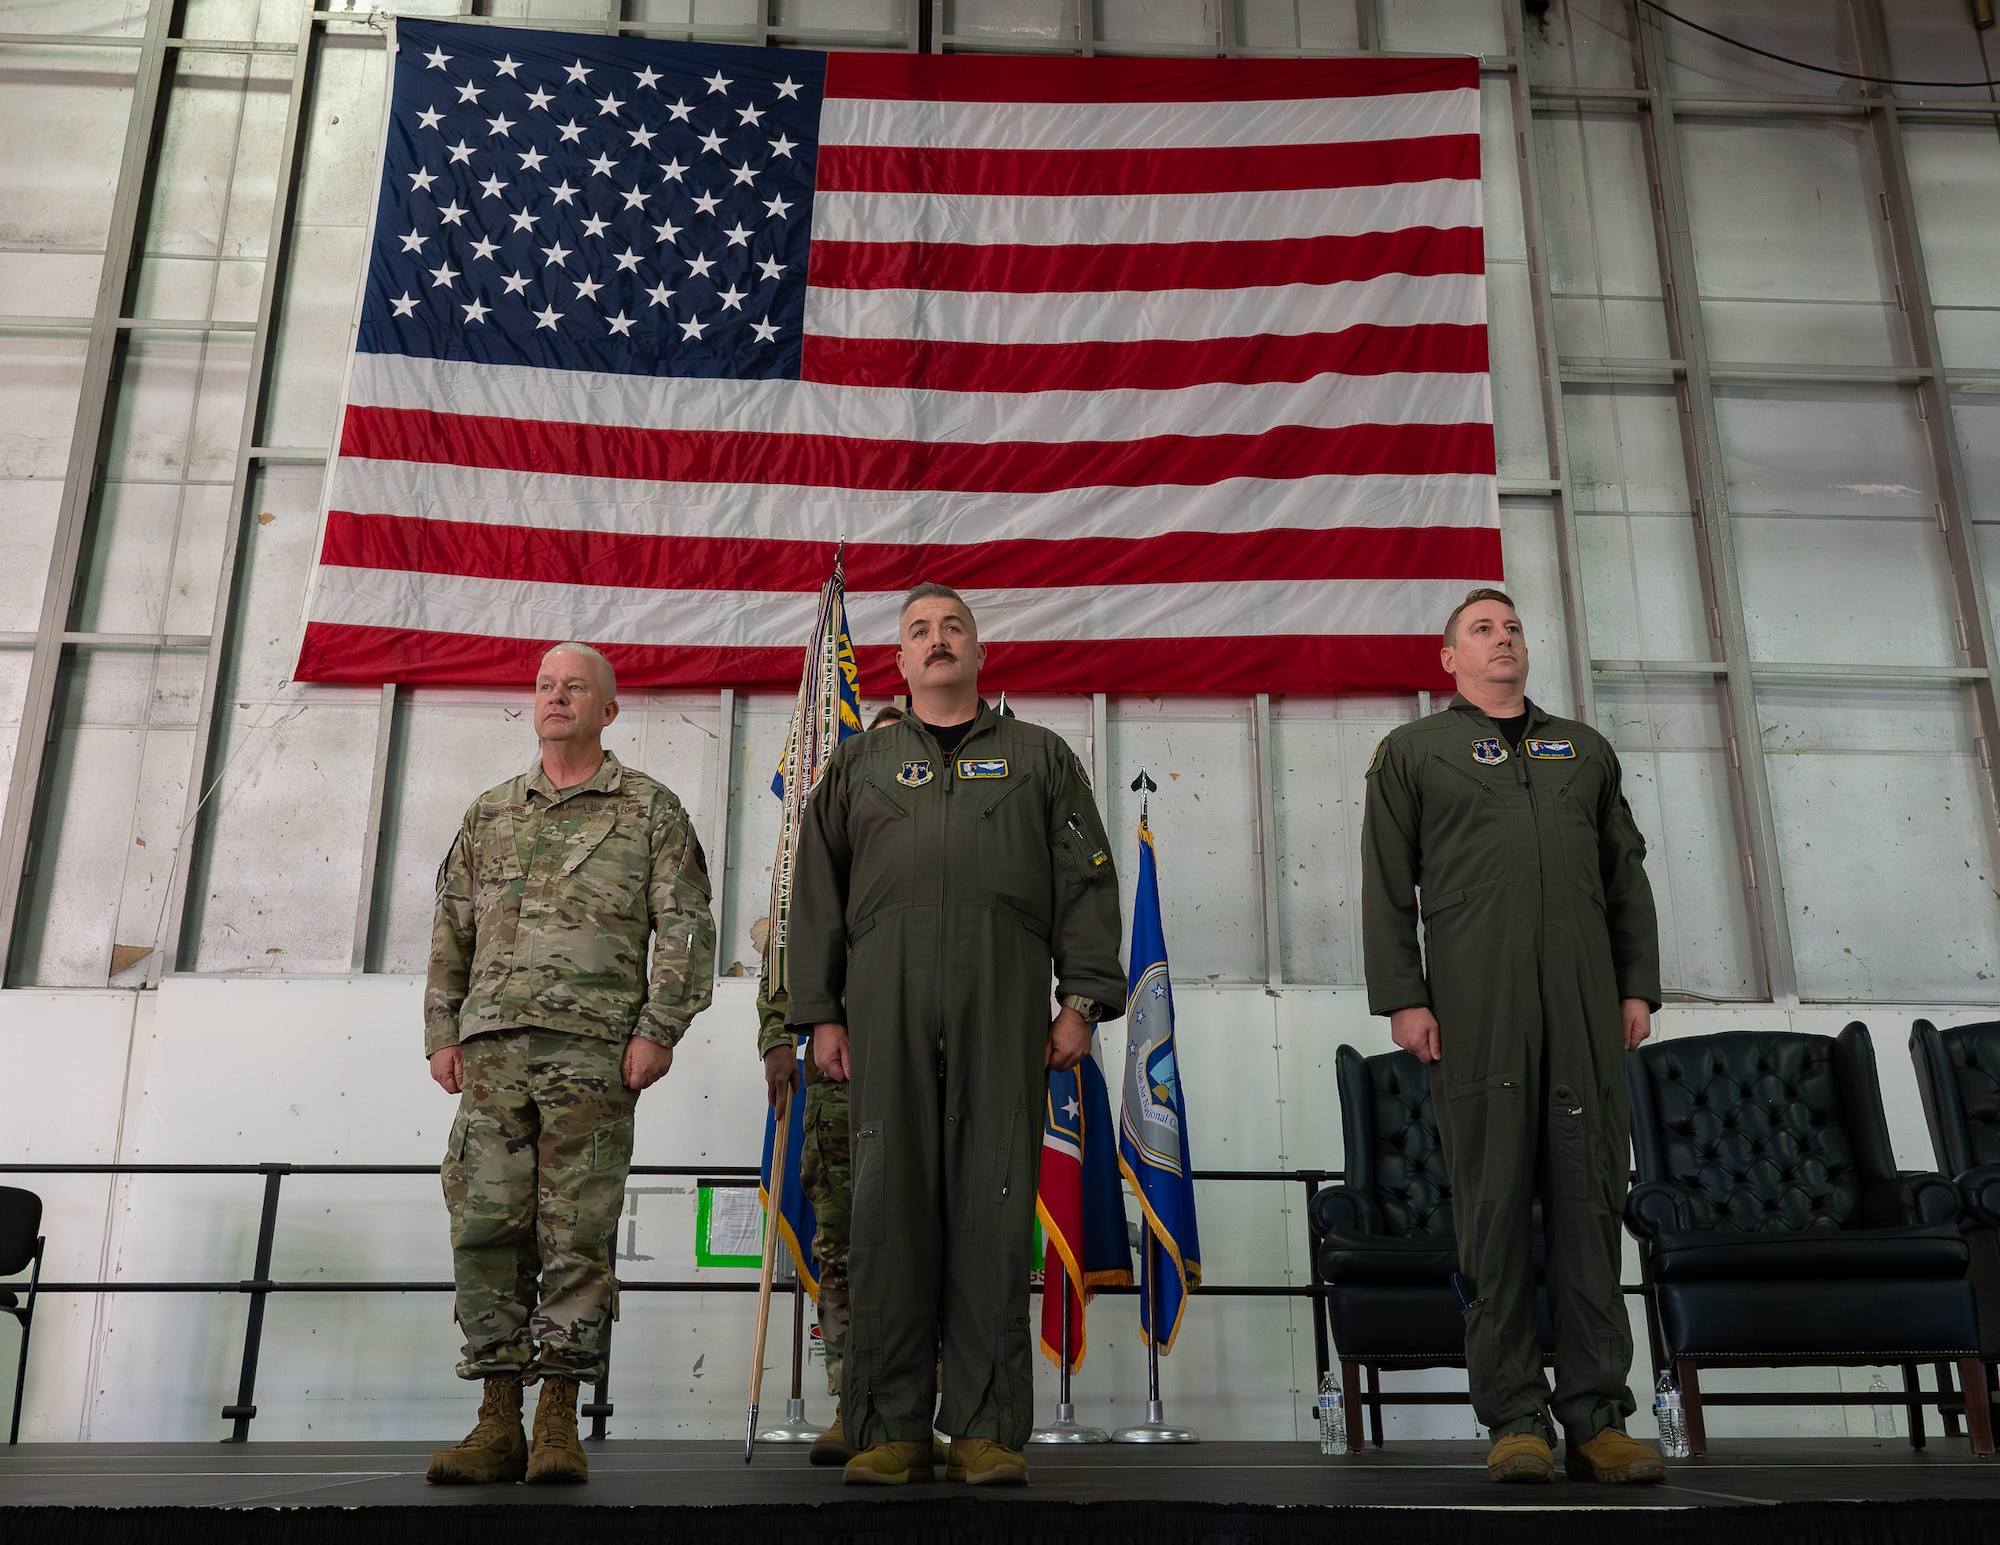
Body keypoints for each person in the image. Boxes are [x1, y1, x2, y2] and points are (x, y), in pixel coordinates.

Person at [787, 586, 1126, 1486]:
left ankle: (983, 1426)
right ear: (896, 662)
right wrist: (820, 1008)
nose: (937, 642)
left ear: (980, 651)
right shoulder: (859, 765)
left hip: (1003, 998)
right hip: (883, 1004)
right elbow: (815, 892)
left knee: (994, 1204)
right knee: (888, 1208)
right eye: (919, 633)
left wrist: (1081, 1002)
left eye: (953, 628)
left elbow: (1088, 885)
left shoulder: (1039, 758)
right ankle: (892, 1424)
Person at [1360, 588, 1666, 1486]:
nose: (1504, 640)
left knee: (1587, 1203)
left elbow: (1626, 876)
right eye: (1482, 630)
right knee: (1492, 1209)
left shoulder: (1585, 750)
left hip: (1583, 1004)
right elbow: (1386, 888)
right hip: (1475, 1005)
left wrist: (1635, 982)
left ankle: (1596, 1417)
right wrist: (1403, 998)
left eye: (1513, 627)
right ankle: (1514, 1417)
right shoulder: (1414, 753)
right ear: (1447, 657)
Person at [423, 642, 716, 1486]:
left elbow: (685, 925)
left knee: (576, 1232)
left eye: (574, 685)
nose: (556, 697)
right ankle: (495, 1417)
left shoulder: (650, 809)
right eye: (546, 685)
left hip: (592, 1052)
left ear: (608, 708)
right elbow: (450, 928)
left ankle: (559, 1416)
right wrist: (442, 1028)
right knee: (484, 1228)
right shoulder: (490, 813)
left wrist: (660, 1026)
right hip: (490, 1051)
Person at [755, 704, 904, 1469]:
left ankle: (918, 1410)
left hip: (923, 1074)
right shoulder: (828, 850)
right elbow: (789, 946)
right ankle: (852, 1406)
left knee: (927, 1246)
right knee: (843, 1248)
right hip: (840, 1079)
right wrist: (777, 1039)